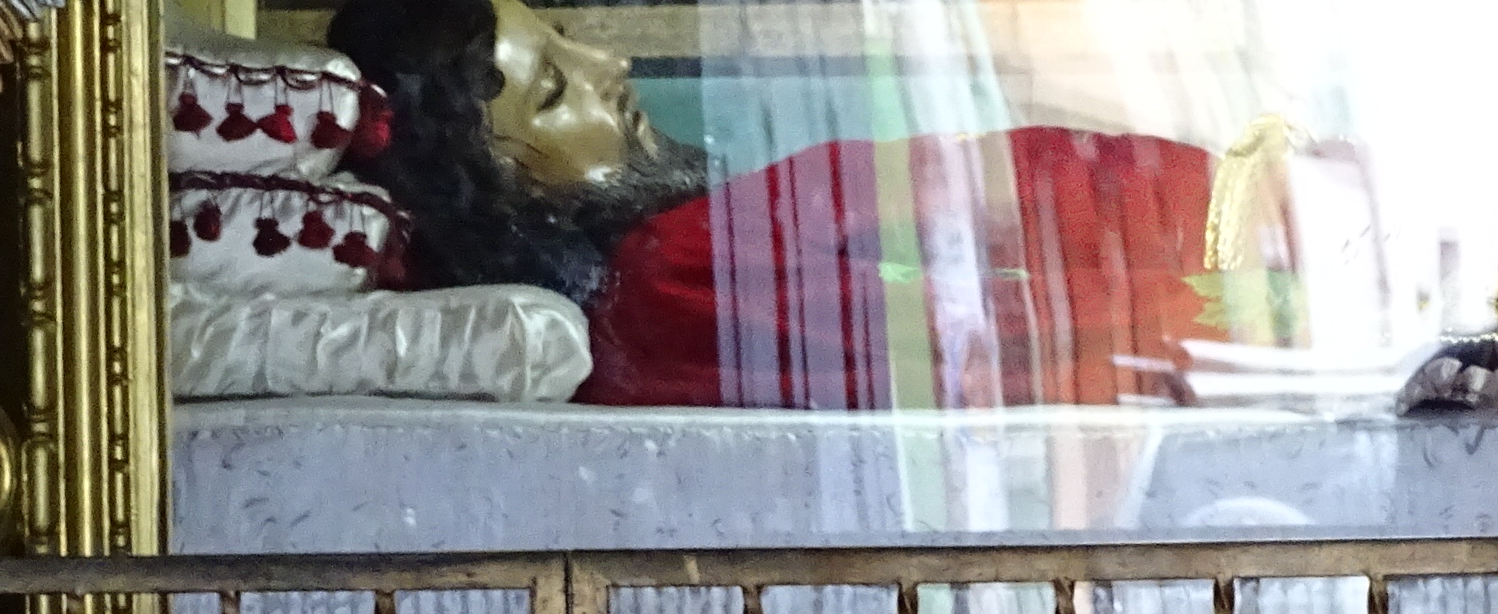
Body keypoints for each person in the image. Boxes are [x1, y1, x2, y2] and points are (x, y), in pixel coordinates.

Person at [325, 0, 1216, 407]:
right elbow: (973, 266)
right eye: (558, 93)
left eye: (573, 41)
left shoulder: (628, 294)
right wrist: (1228, 237)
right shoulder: (660, 268)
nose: (614, 71)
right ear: (496, 192)